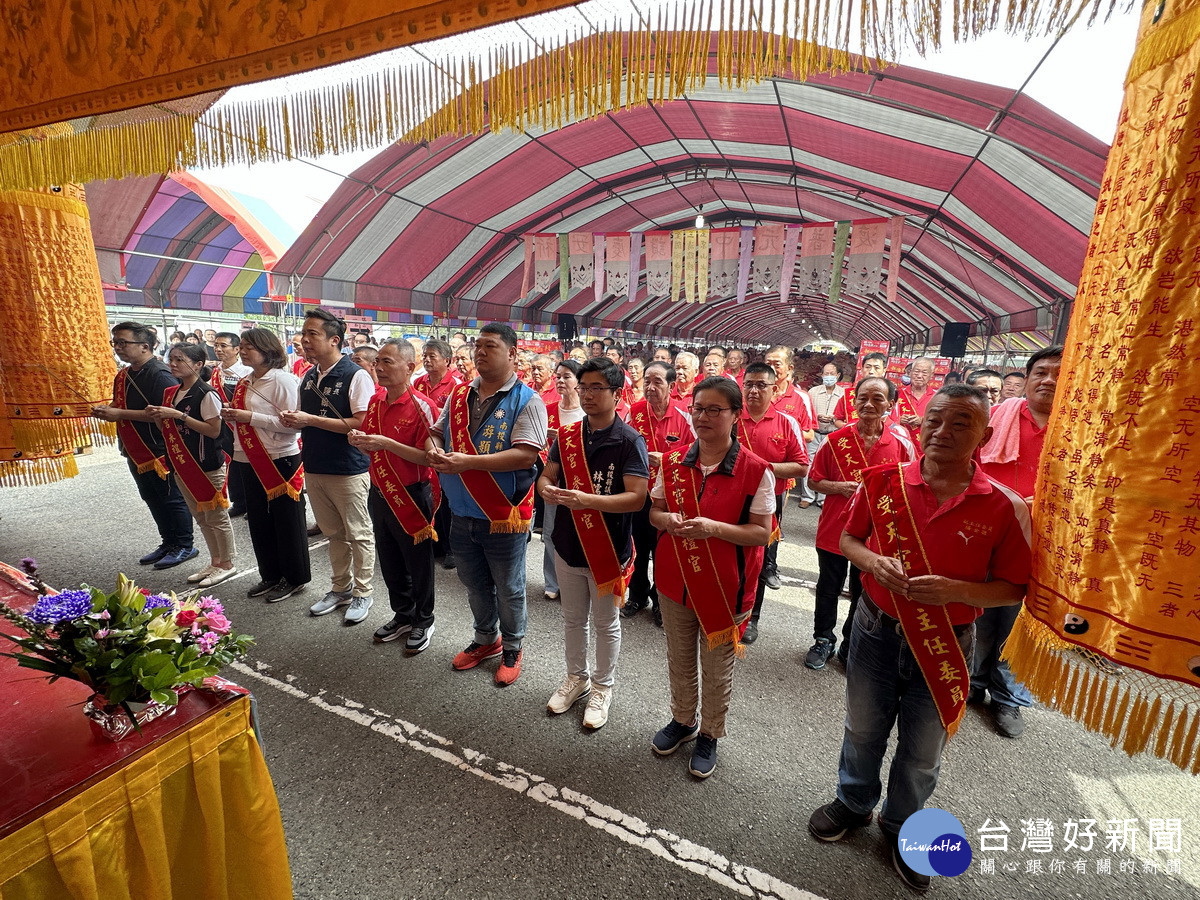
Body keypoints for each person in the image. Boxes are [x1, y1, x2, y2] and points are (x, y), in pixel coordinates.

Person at [807, 384, 1031, 892]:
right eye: (934, 419)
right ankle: (854, 802)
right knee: (863, 728)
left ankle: (905, 827)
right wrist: (872, 563)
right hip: (875, 629)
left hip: (947, 642)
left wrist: (956, 589)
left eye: (960, 423)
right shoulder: (882, 482)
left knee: (923, 748)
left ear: (986, 435)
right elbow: (848, 538)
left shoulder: (1002, 505)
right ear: (918, 422)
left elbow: (1015, 586)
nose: (943, 432)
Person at [649, 377, 774, 779]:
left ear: (736, 415)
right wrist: (666, 519)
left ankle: (709, 733)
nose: (702, 417)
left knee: (717, 669)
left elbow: (761, 533)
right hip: (673, 582)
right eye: (698, 409)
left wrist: (714, 529)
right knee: (679, 659)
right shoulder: (673, 462)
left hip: (725, 589)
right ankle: (683, 721)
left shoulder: (757, 471)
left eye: (714, 410)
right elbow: (654, 514)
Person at [428, 323, 548, 686]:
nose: (480, 352)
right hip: (461, 509)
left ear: (512, 354)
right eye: (477, 346)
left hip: (501, 514)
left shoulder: (528, 400)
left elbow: (526, 456)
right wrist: (435, 447)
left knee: (509, 587)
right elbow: (438, 429)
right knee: (473, 582)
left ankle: (512, 646)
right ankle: (486, 639)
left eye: (490, 346)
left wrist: (467, 462)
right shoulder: (460, 395)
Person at [538, 358, 649, 729]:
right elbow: (547, 475)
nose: (587, 394)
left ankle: (602, 686)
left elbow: (636, 497)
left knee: (606, 622)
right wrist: (547, 491)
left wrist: (589, 501)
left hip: (607, 549)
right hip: (569, 544)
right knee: (572, 619)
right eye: (583, 387)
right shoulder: (568, 436)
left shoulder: (630, 441)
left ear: (617, 394)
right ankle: (576, 677)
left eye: (596, 388)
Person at [971, 346, 1061, 738]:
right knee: (980, 606)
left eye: (1060, 372)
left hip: (1047, 538)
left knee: (1024, 619)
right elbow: (968, 461)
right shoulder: (997, 417)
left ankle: (1010, 697)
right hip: (991, 527)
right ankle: (971, 682)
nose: (1049, 380)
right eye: (1041, 371)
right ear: (1025, 378)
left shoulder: (1082, 426)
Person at [804, 376, 914, 669]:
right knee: (828, 586)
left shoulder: (901, 443)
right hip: (834, 530)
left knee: (863, 590)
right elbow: (814, 481)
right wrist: (839, 487)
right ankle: (822, 639)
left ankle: (851, 642)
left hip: (877, 535)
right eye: (862, 398)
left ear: (891, 404)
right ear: (853, 403)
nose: (868, 404)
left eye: (877, 399)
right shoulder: (835, 440)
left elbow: (911, 488)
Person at [280, 309, 377, 625]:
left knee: (358, 534)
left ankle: (363, 592)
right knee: (334, 534)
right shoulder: (309, 376)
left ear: (335, 340)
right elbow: (302, 418)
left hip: (348, 468)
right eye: (304, 334)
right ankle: (340, 589)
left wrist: (310, 420)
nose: (305, 340)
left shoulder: (355, 375)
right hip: (315, 466)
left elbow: (362, 423)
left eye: (313, 334)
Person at [347, 340, 440, 653]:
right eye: (378, 363)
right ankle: (402, 614)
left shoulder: (423, 407)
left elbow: (430, 458)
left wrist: (385, 443)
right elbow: (373, 447)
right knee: (388, 558)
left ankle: (424, 619)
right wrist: (360, 441)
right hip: (379, 492)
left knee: (419, 562)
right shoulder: (376, 401)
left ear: (410, 368)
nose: (380, 368)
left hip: (411, 495)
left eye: (388, 362)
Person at [92, 322, 195, 569]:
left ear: (145, 346)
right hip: (134, 448)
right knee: (151, 497)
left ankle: (184, 544)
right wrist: (110, 410)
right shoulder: (124, 374)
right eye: (115, 343)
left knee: (171, 498)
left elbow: (163, 414)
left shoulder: (159, 373)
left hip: (158, 448)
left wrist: (120, 414)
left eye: (123, 343)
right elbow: (123, 405)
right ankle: (168, 542)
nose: (118, 348)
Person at [221, 328, 310, 603]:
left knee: (286, 521)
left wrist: (249, 417)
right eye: (242, 347)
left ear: (267, 350)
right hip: (245, 456)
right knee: (259, 520)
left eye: (249, 347)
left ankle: (294, 578)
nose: (243, 351)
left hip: (279, 457)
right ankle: (269, 574)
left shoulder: (283, 381)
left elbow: (291, 426)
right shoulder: (245, 380)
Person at [146, 343, 237, 587]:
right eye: (171, 359)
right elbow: (169, 431)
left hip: (206, 463)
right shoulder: (172, 393)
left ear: (198, 365)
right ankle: (215, 560)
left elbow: (214, 430)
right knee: (201, 517)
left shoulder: (206, 393)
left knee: (216, 516)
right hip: (181, 464)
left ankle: (227, 564)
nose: (173, 364)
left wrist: (180, 416)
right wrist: (159, 418)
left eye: (180, 359)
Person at [736, 362, 810, 641]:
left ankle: (752, 617)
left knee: (760, 559)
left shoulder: (786, 422)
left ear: (774, 389)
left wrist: (762, 467)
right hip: (732, 497)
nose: (754, 391)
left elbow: (801, 466)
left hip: (768, 499)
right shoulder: (732, 418)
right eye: (749, 385)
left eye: (761, 385)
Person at [625, 361, 694, 623]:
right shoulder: (635, 411)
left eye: (658, 382)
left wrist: (665, 459)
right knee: (637, 547)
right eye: (647, 382)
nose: (650, 388)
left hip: (670, 495)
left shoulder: (685, 415)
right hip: (640, 492)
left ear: (672, 386)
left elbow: (695, 455)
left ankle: (660, 600)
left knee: (663, 551)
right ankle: (637, 595)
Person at [541, 360, 585, 601]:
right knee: (549, 530)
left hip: (579, 481)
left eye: (566, 376)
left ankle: (574, 579)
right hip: (553, 478)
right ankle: (552, 580)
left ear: (578, 382)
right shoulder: (548, 410)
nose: (560, 381)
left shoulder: (586, 415)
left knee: (577, 529)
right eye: (557, 376)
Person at [416, 338, 461, 570]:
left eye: (432, 355)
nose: (427, 359)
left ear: (447, 360)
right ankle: (434, 542)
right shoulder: (417, 383)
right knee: (427, 496)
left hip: (446, 447)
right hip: (422, 447)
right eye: (425, 355)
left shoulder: (457, 386)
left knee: (446, 499)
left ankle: (451, 548)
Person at [211, 332, 252, 517]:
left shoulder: (247, 372)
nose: (218, 349)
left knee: (248, 464)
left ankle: (253, 502)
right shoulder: (216, 372)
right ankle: (240, 501)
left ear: (236, 349)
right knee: (232, 462)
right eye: (216, 345)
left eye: (223, 346)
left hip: (243, 424)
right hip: (223, 425)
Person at [804, 362, 845, 507]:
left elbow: (844, 416)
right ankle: (807, 497)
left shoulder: (843, 394)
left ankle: (822, 498)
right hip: (815, 432)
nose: (828, 376)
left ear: (838, 375)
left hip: (833, 433)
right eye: (825, 373)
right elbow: (807, 413)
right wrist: (817, 418)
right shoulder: (813, 392)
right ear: (821, 375)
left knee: (827, 466)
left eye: (831, 374)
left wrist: (833, 419)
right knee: (808, 463)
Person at [895, 356, 935, 437]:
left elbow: (943, 421)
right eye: (916, 371)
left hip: (925, 444)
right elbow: (885, 418)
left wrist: (922, 420)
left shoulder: (937, 397)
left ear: (931, 375)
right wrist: (898, 419)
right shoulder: (897, 393)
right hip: (902, 442)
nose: (919, 376)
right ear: (910, 373)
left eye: (924, 373)